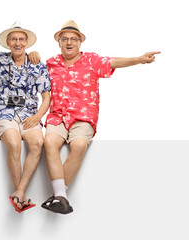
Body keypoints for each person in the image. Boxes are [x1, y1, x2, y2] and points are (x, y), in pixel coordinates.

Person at [28, 20, 160, 214]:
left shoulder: (91, 60)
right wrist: (32, 56)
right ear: (59, 42)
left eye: (73, 39)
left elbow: (115, 62)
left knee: (79, 145)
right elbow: (28, 71)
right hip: (57, 116)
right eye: (65, 39)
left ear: (80, 42)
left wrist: (139, 59)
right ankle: (60, 196)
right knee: (49, 142)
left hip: (83, 116)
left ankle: (58, 195)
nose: (69, 42)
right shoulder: (50, 64)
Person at [0, 21, 51, 213]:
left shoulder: (38, 65)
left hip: (29, 114)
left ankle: (19, 192)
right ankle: (20, 195)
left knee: (38, 143)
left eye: (21, 39)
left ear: (27, 42)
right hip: (5, 112)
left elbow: (46, 97)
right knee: (14, 144)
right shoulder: (0, 59)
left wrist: (38, 116)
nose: (17, 42)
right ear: (7, 42)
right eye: (13, 39)